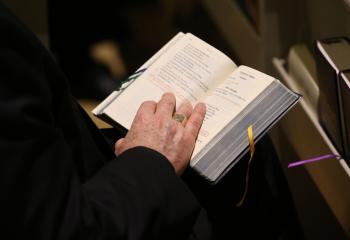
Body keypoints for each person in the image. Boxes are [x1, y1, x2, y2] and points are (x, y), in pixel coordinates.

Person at [0, 2, 304, 240]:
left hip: (76, 178)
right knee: (241, 158)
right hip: (101, 212)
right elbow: (64, 228)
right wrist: (150, 154)